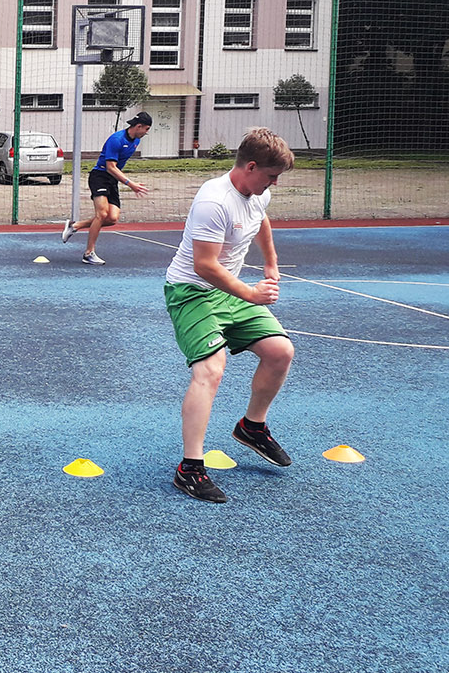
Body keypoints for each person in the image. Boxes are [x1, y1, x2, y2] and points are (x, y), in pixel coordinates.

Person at [163, 127, 296, 503]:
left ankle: (252, 427)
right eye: (271, 176)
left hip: (228, 290)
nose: (274, 184)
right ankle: (190, 468)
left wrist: (271, 264)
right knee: (211, 369)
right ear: (250, 166)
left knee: (280, 352)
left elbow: (261, 220)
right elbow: (205, 266)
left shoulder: (258, 192)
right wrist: (252, 293)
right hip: (192, 292)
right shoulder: (214, 202)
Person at [60, 111, 152, 265]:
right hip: (100, 177)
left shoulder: (136, 141)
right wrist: (131, 184)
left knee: (112, 218)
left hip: (112, 180)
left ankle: (75, 225)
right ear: (139, 126)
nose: (147, 132)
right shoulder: (116, 140)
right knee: (101, 214)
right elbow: (110, 167)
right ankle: (88, 253)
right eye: (147, 129)